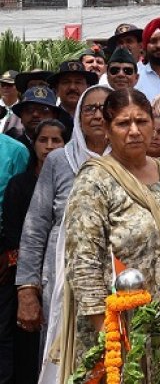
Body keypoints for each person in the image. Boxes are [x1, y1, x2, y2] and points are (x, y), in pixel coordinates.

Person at [63, 88, 160, 382]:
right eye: (123, 123)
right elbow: (82, 260)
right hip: (122, 319)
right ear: (108, 130)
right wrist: (107, 331)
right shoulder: (95, 180)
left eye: (142, 121)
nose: (135, 131)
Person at [15, 86, 111, 362]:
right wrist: (27, 290)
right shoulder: (59, 160)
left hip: (116, 277)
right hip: (62, 275)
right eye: (89, 108)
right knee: (63, 360)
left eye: (104, 108)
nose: (96, 115)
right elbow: (35, 228)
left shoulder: (126, 161)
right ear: (78, 116)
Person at [0, 120, 66, 383]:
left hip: (57, 269)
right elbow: (15, 229)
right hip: (21, 270)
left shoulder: (71, 176)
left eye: (56, 140)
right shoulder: (20, 183)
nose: (49, 146)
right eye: (43, 140)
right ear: (34, 144)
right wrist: (22, 271)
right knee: (22, 335)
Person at [11, 87, 67, 155]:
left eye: (44, 110)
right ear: (21, 116)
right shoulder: (11, 148)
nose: (35, 114)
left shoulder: (66, 148)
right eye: (29, 109)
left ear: (54, 116)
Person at [0, 70, 21, 135]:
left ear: (19, 87)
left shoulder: (23, 110)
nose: (5, 87)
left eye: (9, 84)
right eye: (3, 84)